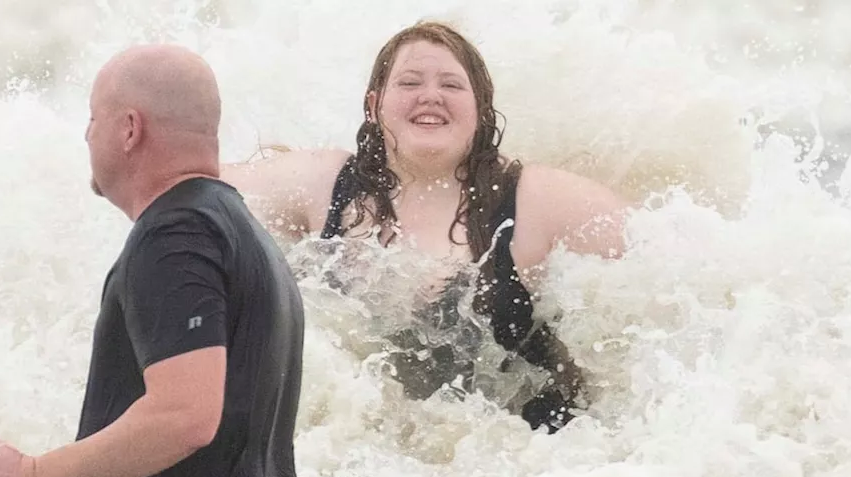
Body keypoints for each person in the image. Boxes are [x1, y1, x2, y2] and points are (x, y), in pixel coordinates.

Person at [0, 44, 317, 477]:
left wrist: (34, 474)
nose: (86, 135)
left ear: (128, 129)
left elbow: (185, 417)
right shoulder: (235, 228)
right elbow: (217, 443)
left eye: (93, 118)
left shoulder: (176, 234)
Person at [222, 21, 631, 433]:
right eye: (409, 83)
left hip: (527, 445)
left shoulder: (537, 199)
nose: (430, 96)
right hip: (367, 446)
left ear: (481, 111)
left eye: (452, 86)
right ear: (373, 104)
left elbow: (660, 254)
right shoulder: (322, 183)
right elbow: (195, 189)